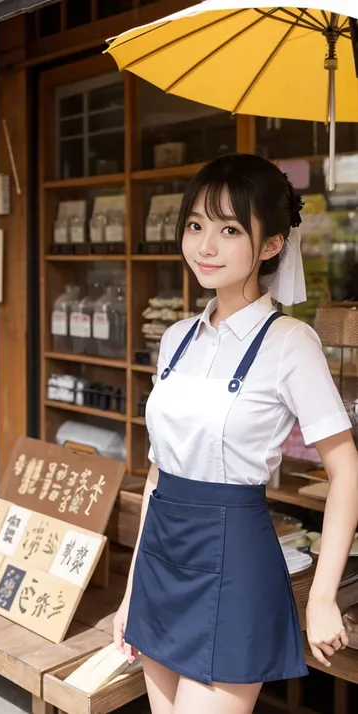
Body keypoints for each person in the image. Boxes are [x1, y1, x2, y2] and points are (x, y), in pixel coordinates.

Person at [113, 154, 358, 714]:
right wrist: (131, 592)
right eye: (196, 226)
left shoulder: (290, 342)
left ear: (270, 245)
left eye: (229, 230)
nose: (205, 246)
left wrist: (322, 595)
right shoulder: (176, 338)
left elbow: (346, 470)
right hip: (159, 558)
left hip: (233, 562)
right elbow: (158, 473)